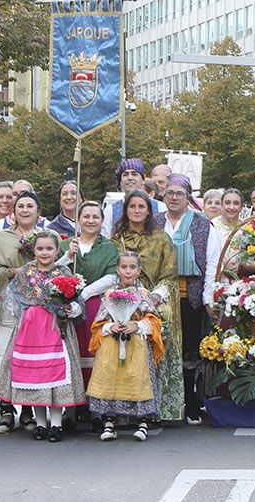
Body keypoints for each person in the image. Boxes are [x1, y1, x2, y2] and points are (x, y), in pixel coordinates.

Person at [0, 229, 86, 439]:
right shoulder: (26, 271)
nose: (44, 253)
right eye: (40, 248)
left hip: (57, 329)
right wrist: (26, 314)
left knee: (54, 375)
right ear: (34, 250)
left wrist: (70, 309)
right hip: (31, 330)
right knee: (35, 376)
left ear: (57, 250)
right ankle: (41, 423)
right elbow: (12, 298)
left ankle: (56, 424)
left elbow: (77, 301)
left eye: (49, 249)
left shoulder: (63, 271)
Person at [0, 190, 51, 430]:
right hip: (7, 306)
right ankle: (6, 409)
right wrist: (16, 272)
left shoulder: (47, 237)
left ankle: (28, 411)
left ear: (38, 212)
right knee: (5, 356)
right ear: (14, 211)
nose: (25, 210)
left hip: (36, 308)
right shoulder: (2, 238)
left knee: (29, 357)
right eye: (20, 206)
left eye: (30, 206)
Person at [110, 187, 180, 421]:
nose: (137, 210)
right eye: (132, 206)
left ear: (149, 211)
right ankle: (123, 410)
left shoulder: (161, 238)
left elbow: (169, 274)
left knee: (163, 316)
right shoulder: (116, 239)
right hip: (123, 297)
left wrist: (155, 296)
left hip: (154, 296)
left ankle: (158, 407)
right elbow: (112, 272)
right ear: (126, 210)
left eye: (142, 206)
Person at [89, 248, 165, 441]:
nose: (128, 271)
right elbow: (98, 322)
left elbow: (155, 321)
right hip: (112, 346)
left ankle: (142, 423)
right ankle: (109, 423)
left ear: (139, 270)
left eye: (132, 267)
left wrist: (137, 325)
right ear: (117, 269)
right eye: (124, 267)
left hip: (136, 345)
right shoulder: (109, 294)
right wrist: (110, 327)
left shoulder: (143, 294)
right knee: (110, 379)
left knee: (138, 379)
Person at [158, 175, 213, 423]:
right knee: (161, 349)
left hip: (189, 296)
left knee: (190, 352)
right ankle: (161, 405)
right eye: (170, 192)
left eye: (179, 193)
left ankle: (191, 404)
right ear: (164, 195)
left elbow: (211, 263)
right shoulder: (155, 222)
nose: (174, 197)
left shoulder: (202, 224)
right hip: (159, 296)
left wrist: (207, 297)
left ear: (187, 197)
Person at [68, 201, 119, 393]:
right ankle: (73, 399)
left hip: (95, 307)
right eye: (86, 216)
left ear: (102, 221)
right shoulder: (67, 244)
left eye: (95, 217)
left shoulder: (108, 247)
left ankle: (94, 397)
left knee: (92, 350)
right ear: (78, 219)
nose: (90, 220)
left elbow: (112, 276)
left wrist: (84, 293)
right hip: (68, 307)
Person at [202, 189, 246, 306]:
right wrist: (223, 262)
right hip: (214, 284)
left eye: (236, 203)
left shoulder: (246, 228)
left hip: (239, 286)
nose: (231, 207)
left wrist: (240, 264)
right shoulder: (211, 226)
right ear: (221, 205)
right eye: (227, 203)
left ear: (241, 207)